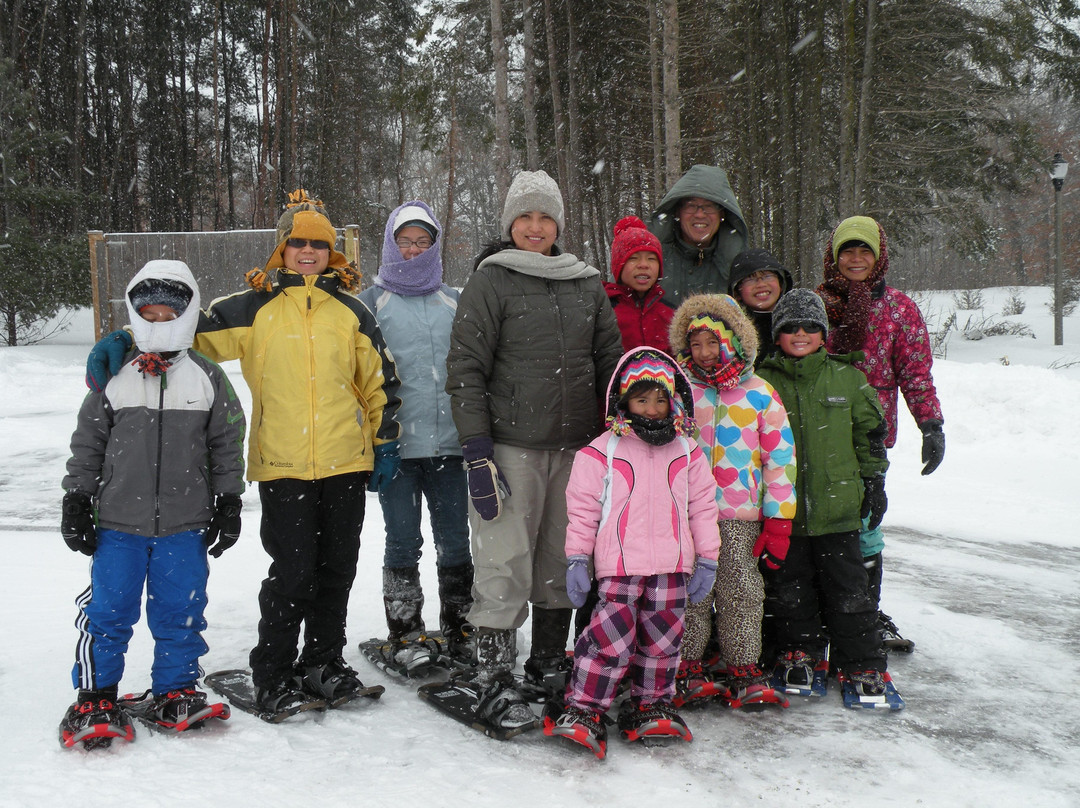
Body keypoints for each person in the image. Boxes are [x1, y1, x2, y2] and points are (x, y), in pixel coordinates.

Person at [85, 191, 402, 713]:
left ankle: (323, 661)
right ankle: (273, 671)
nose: (307, 252)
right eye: (297, 243)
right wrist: (126, 336)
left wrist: (384, 442)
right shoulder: (254, 307)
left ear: (332, 253)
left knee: (337, 569)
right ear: (281, 249)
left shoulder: (352, 311)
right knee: (294, 572)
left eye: (318, 244)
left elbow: (379, 381)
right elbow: (181, 328)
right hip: (282, 464)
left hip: (346, 461)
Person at [444, 169, 623, 733]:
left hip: (577, 450)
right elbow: (466, 368)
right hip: (510, 447)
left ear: (559, 225)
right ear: (510, 223)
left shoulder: (586, 283)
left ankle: (548, 663)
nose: (536, 226)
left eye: (546, 217)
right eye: (525, 216)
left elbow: (609, 363)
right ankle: (494, 673)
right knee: (504, 559)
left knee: (561, 559)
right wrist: (476, 448)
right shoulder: (491, 281)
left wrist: (616, 431)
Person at [59, 260, 246, 747]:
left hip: (185, 523)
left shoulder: (206, 377)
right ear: (135, 315)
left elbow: (228, 442)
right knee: (109, 610)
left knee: (181, 610)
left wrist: (229, 500)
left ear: (187, 314)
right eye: (150, 314)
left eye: (170, 314)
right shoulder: (115, 374)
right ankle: (96, 695)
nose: (160, 322)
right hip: (118, 523)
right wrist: (76, 499)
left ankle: (175, 690)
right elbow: (88, 442)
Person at [544, 348, 720, 756]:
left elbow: (703, 507)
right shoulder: (601, 451)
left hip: (672, 567)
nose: (653, 409)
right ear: (624, 401)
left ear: (674, 401)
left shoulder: (687, 450)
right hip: (620, 568)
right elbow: (583, 510)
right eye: (642, 399)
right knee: (609, 642)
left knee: (662, 642)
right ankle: (585, 708)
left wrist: (708, 558)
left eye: (661, 399)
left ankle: (651, 702)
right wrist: (577, 557)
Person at [756, 289, 896, 702]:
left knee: (850, 592)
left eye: (810, 326)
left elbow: (870, 435)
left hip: (839, 511)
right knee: (790, 591)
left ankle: (860, 661)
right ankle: (800, 651)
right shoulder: (762, 382)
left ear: (824, 333)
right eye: (791, 327)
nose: (801, 334)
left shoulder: (847, 378)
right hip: (786, 512)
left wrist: (875, 481)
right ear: (777, 334)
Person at [816, 215, 945, 649]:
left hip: (869, 438)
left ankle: (866, 613)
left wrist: (930, 424)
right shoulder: (817, 305)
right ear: (834, 256)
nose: (856, 259)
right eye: (847, 251)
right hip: (817, 433)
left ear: (879, 256)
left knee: (867, 524)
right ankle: (816, 615)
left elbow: (915, 371)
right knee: (817, 526)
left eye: (864, 251)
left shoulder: (898, 309)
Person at [358, 201, 473, 670]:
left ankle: (461, 627)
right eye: (404, 241)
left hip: (451, 446)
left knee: (456, 540)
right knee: (403, 541)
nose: (413, 250)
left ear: (435, 247)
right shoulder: (370, 302)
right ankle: (405, 632)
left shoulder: (455, 300)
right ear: (390, 244)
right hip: (397, 449)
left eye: (422, 242)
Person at [667, 293, 797, 709]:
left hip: (740, 515)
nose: (704, 352)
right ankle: (686, 667)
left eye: (713, 342)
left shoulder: (760, 394)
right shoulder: (680, 392)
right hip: (688, 514)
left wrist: (778, 521)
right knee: (691, 590)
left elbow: (780, 460)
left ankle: (743, 667)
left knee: (741, 588)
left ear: (735, 341)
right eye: (695, 344)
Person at [649, 164, 749, 307]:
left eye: (709, 206)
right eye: (691, 205)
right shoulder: (651, 260)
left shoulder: (739, 267)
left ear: (722, 213)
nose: (700, 214)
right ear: (677, 212)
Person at [604, 215, 675, 354]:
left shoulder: (670, 313)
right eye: (633, 258)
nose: (643, 265)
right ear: (618, 267)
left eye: (651, 259)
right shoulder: (605, 312)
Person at [727, 248, 793, 368]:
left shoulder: (796, 321)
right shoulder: (732, 330)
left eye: (768, 276)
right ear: (737, 292)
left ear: (781, 285)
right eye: (750, 279)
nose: (761, 284)